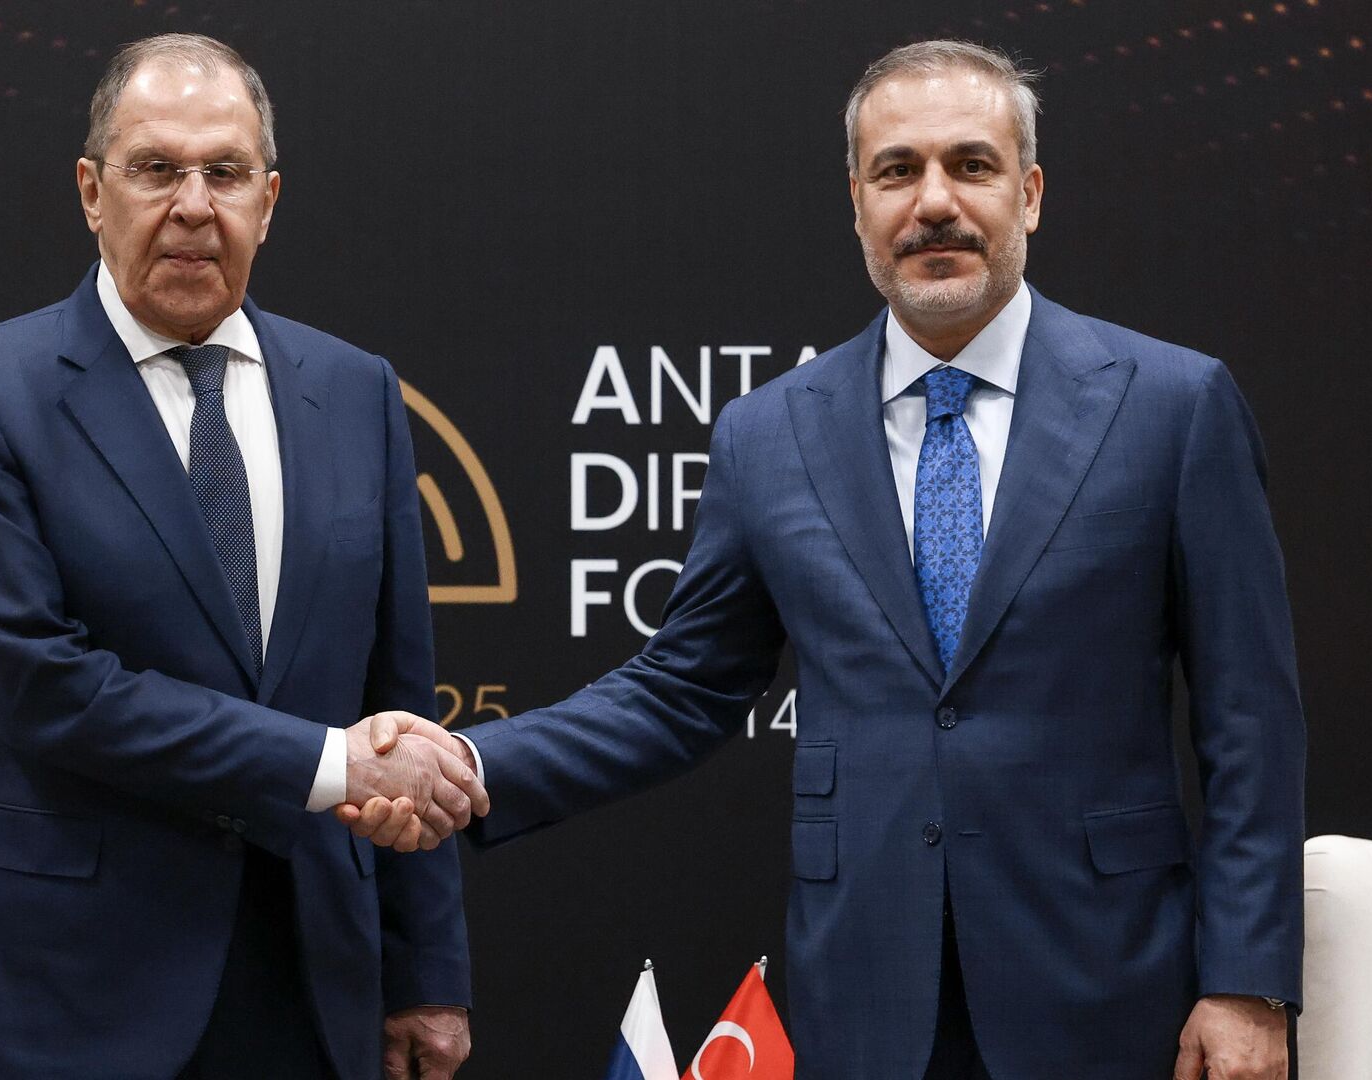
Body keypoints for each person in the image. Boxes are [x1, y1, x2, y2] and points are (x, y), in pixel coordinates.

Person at [346, 39, 1303, 1080]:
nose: (933, 202)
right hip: (866, 992)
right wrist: (475, 764)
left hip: (1111, 987)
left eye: (971, 165)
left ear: (1029, 195)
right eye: (897, 171)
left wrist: (1247, 982)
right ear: (857, 205)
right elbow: (681, 689)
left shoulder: (1172, 406)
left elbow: (1249, 718)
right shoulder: (769, 434)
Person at [0, 33, 485, 1080]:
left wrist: (425, 969)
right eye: (155, 169)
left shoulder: (355, 389)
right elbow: (41, 684)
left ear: (269, 200)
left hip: (311, 977)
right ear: (92, 192)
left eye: (224, 172)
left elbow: (397, 696)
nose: (191, 205)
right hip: (67, 992)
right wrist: (329, 765)